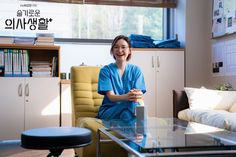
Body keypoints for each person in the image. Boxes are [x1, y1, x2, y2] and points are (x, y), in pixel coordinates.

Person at [96, 35, 146, 121]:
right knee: (133, 105)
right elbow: (111, 97)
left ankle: (136, 133)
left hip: (128, 110)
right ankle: (142, 129)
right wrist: (127, 97)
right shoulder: (105, 71)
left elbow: (138, 94)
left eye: (123, 47)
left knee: (126, 115)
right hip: (109, 111)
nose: (119, 50)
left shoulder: (136, 70)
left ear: (129, 50)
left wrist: (138, 94)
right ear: (112, 50)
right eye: (116, 47)